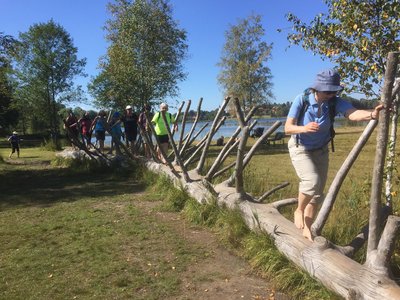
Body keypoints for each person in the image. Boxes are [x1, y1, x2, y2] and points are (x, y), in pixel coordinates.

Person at [284, 69, 384, 241]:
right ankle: (298, 210)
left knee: (317, 195)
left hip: (321, 150)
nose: (331, 94)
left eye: (334, 91)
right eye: (327, 91)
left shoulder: (334, 102)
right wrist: (304, 128)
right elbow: (287, 128)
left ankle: (307, 228)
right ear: (317, 88)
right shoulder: (301, 100)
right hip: (300, 147)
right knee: (311, 182)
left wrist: (372, 114)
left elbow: (352, 113)